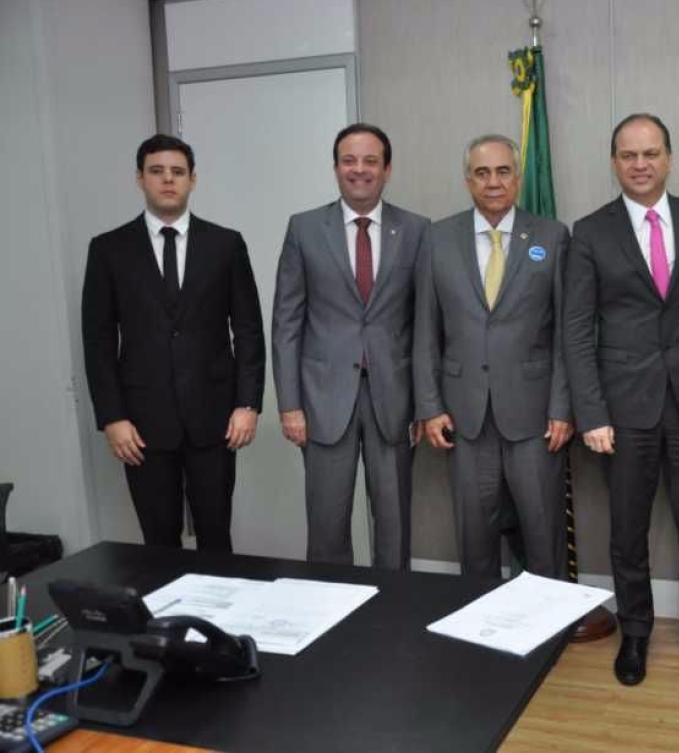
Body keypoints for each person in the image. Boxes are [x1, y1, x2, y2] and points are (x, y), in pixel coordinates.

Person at [564, 114, 679, 686]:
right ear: (614, 162)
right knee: (627, 532)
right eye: (629, 155)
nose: (640, 164)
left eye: (651, 153)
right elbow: (576, 330)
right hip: (622, 411)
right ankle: (635, 632)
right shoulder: (589, 232)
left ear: (669, 159)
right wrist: (591, 413)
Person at [82, 134, 265, 552]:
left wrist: (247, 404)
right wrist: (112, 417)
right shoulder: (109, 249)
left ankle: (216, 599)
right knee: (159, 542)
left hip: (215, 419)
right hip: (141, 423)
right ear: (140, 179)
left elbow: (248, 330)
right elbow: (98, 339)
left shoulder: (225, 244)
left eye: (178, 172)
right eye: (157, 171)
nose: (168, 180)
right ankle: (165, 601)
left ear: (192, 180)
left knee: (216, 537)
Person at [272, 123, 429, 569]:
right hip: (322, 401)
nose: (359, 170)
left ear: (387, 169)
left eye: (370, 161)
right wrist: (290, 405)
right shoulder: (304, 228)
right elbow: (286, 322)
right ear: (336, 167)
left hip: (394, 400)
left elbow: (425, 324)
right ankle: (330, 605)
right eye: (349, 161)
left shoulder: (416, 230)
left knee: (394, 525)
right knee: (327, 524)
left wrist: (424, 404)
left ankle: (393, 604)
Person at [414, 134, 571, 579]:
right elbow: (425, 329)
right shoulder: (438, 238)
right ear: (468, 181)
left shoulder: (552, 236)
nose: (493, 182)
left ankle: (548, 619)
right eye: (482, 173)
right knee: (475, 541)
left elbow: (566, 332)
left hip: (536, 417)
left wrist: (563, 407)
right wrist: (430, 407)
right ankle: (480, 620)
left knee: (543, 536)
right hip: (464, 417)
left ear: (518, 178)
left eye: (503, 171)